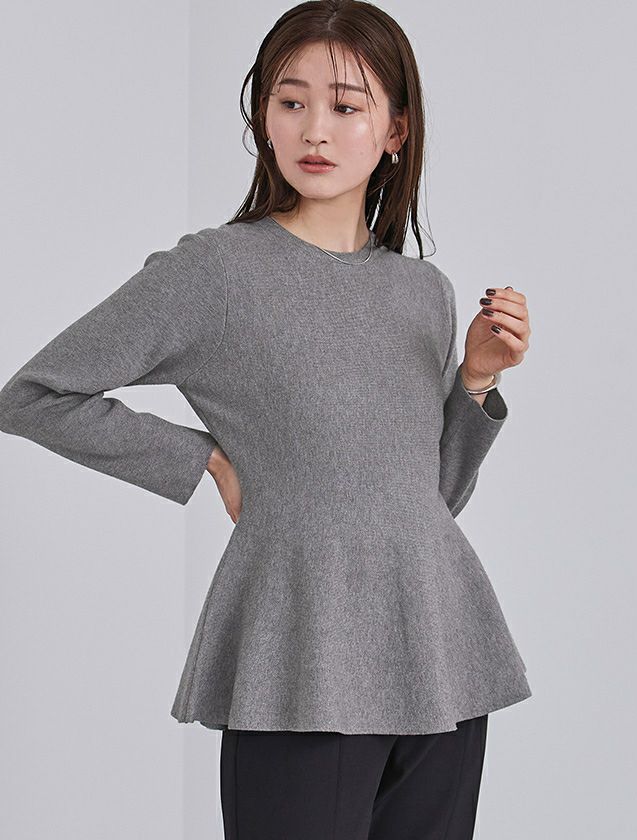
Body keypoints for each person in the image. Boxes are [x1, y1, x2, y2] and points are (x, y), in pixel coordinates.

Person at [0, 1, 533, 837]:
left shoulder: (422, 292)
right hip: (299, 659)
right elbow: (33, 396)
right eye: (290, 101)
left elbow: (432, 498)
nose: (314, 128)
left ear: (396, 130)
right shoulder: (215, 271)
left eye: (346, 106)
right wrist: (206, 460)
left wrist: (475, 379)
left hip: (443, 653)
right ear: (263, 117)